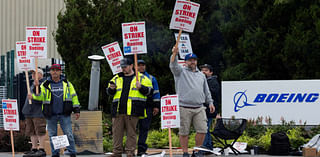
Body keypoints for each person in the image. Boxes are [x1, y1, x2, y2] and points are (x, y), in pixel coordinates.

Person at [169, 47, 215, 157]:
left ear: (196, 61)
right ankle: (185, 153)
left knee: (203, 130)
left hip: (200, 107)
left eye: (194, 60)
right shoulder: (180, 72)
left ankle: (197, 151)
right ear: (185, 62)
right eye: (190, 60)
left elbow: (206, 90)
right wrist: (174, 54)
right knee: (184, 131)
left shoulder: (201, 75)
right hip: (184, 106)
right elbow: (173, 65)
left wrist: (210, 102)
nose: (192, 62)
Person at [106, 58, 153, 157]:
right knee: (116, 133)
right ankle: (116, 152)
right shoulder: (115, 78)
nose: (123, 69)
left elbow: (150, 92)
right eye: (122, 67)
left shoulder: (142, 78)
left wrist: (141, 87)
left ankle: (130, 153)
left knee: (131, 133)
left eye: (125, 67)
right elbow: (109, 93)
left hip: (133, 110)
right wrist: (111, 89)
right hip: (118, 110)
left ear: (131, 66)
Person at [31, 64, 80, 157]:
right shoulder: (45, 84)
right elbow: (40, 97)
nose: (55, 72)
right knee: (52, 135)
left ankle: (72, 152)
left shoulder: (67, 84)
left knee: (68, 133)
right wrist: (35, 88)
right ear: (50, 72)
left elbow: (74, 97)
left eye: (57, 70)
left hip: (64, 113)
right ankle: (55, 153)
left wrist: (77, 110)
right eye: (53, 70)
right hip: (51, 114)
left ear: (60, 72)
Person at [136, 59, 161, 156]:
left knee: (144, 128)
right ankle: (130, 149)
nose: (141, 67)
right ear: (135, 66)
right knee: (132, 129)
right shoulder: (131, 77)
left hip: (147, 106)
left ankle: (141, 150)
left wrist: (156, 106)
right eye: (139, 65)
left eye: (143, 65)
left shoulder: (151, 78)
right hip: (133, 107)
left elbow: (156, 93)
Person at [22, 68, 47, 157]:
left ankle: (42, 148)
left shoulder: (44, 84)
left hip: (38, 112)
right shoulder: (32, 84)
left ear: (41, 75)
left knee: (40, 130)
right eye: (32, 74)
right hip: (30, 111)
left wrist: (37, 89)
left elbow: (43, 97)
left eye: (35, 73)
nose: (33, 75)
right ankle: (34, 148)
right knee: (31, 131)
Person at [199, 64, 220, 151]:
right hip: (204, 109)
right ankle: (208, 146)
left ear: (211, 72)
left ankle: (206, 146)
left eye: (206, 70)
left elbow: (210, 95)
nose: (203, 72)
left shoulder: (212, 82)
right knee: (204, 128)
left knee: (204, 128)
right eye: (202, 70)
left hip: (209, 109)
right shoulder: (202, 81)